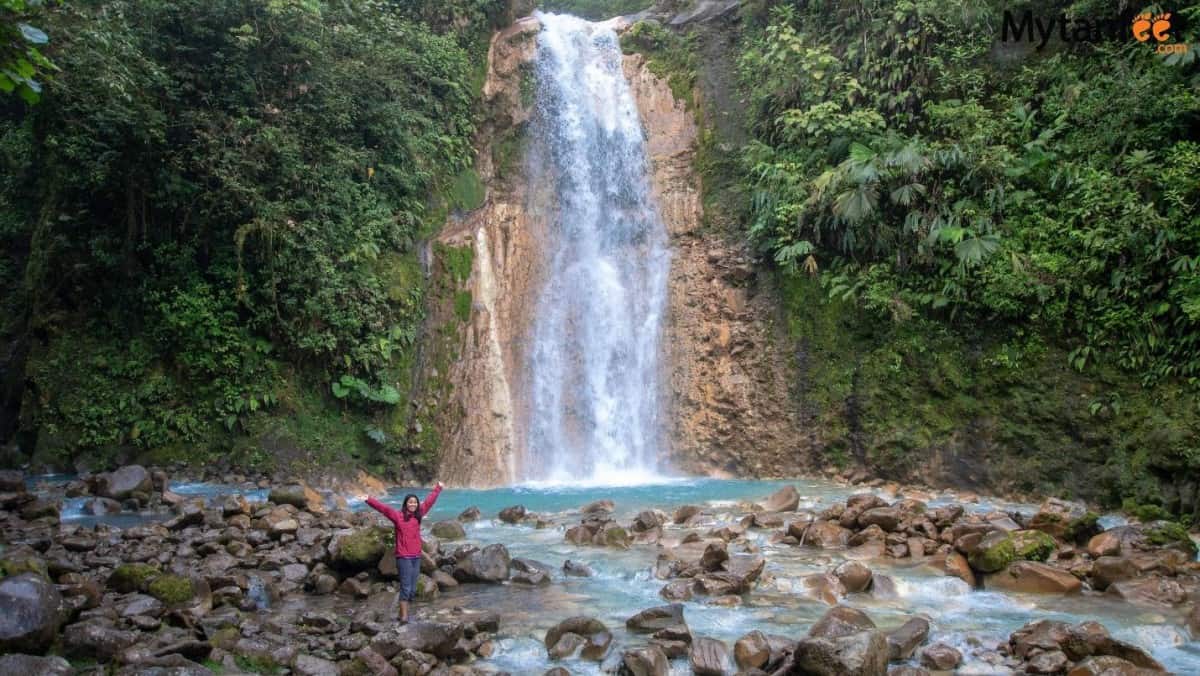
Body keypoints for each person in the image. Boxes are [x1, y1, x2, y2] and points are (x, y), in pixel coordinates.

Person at [365, 481, 443, 623]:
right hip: (404, 557)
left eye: (415, 502)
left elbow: (429, 502)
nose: (413, 504)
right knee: (406, 588)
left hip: (416, 556)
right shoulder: (397, 516)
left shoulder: (419, 515)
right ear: (406, 504)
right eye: (410, 502)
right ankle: (404, 617)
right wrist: (368, 499)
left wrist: (438, 488)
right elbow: (383, 508)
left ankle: (403, 613)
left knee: (412, 589)